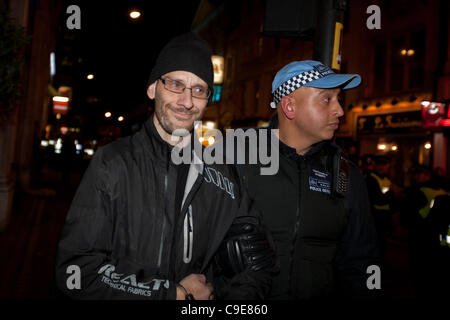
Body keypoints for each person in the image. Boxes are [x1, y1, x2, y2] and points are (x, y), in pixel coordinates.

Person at [55, 32, 276, 300]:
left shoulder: (222, 173)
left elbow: (256, 265)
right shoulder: (112, 163)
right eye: (175, 84)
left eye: (199, 89)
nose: (187, 101)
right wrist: (172, 295)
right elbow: (77, 272)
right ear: (152, 88)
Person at [233, 60, 380, 299]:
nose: (340, 110)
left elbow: (361, 261)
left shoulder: (345, 173)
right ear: (290, 106)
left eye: (338, 99)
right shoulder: (237, 159)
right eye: (326, 99)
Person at [400, 164, 450, 299]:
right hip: (440, 241)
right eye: (415, 174)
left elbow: (407, 219)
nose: (416, 176)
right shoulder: (442, 190)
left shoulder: (417, 191)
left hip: (422, 239)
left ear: (427, 175)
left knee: (422, 278)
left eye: (419, 173)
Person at [364, 155, 398, 257]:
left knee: (381, 245)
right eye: (379, 164)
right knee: (376, 246)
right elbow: (377, 199)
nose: (381, 167)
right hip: (375, 217)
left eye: (384, 164)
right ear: (375, 165)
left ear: (388, 165)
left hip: (384, 217)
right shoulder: (370, 178)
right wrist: (391, 193)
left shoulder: (386, 179)